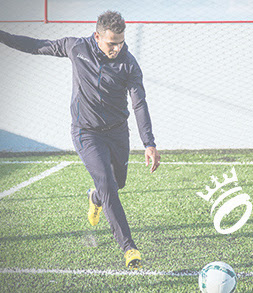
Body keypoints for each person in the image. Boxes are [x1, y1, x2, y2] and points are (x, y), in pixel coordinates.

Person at [0, 10, 160, 270]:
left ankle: (95, 198)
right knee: (108, 182)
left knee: (116, 184)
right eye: (111, 43)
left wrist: (149, 143)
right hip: (86, 132)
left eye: (121, 42)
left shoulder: (128, 64)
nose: (117, 48)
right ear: (97, 36)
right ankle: (129, 247)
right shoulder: (76, 47)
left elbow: (139, 103)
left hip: (118, 132)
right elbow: (37, 46)